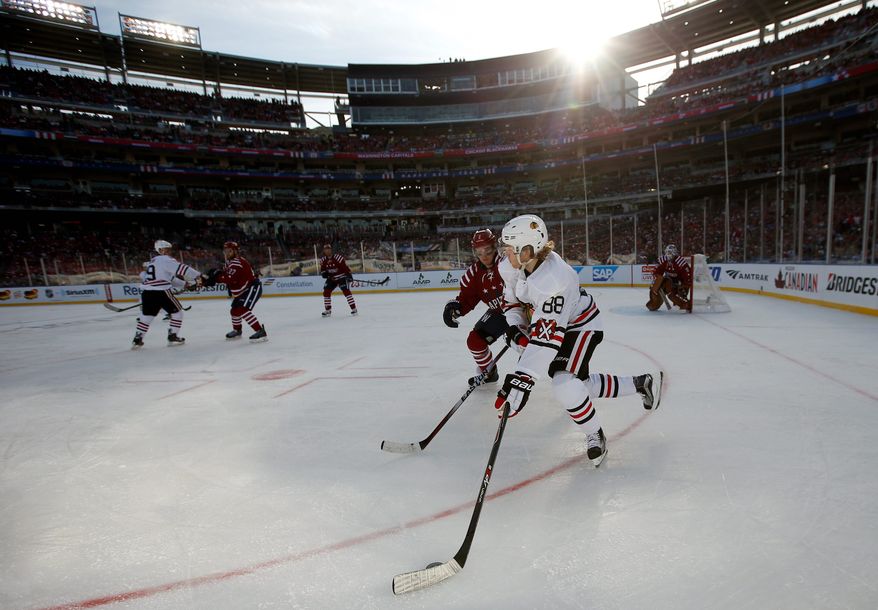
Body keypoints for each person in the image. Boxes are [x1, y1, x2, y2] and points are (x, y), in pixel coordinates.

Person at [495, 214, 663, 467]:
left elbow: (545, 340)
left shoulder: (554, 280)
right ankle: (640, 384)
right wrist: (515, 328)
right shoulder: (513, 266)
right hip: (553, 325)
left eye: (509, 249)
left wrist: (522, 380)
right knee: (579, 384)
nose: (504, 254)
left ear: (527, 250)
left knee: (564, 384)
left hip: (581, 325)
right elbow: (511, 302)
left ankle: (595, 433)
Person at [443, 229, 507, 386]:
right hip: (499, 313)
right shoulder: (474, 274)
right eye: (479, 252)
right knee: (475, 341)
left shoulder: (508, 263)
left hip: (522, 311)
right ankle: (489, 373)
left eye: (487, 250)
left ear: (494, 247)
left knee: (528, 345)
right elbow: (466, 299)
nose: (484, 256)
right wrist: (455, 309)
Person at [131, 240, 202, 349]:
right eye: (166, 249)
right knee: (177, 313)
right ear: (160, 250)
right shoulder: (165, 260)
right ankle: (173, 336)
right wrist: (199, 275)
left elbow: (170, 278)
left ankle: (137, 339)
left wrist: (184, 284)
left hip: (147, 293)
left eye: (169, 249)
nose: (169, 252)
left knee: (147, 317)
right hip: (161, 292)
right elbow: (183, 269)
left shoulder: (153, 261)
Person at [203, 241, 267, 342]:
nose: (227, 253)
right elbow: (225, 274)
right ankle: (237, 330)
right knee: (234, 311)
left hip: (251, 288)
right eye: (225, 251)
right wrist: (214, 277)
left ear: (236, 251)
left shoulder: (237, 263)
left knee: (242, 310)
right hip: (244, 290)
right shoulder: (230, 262)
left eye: (229, 251)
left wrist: (215, 278)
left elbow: (228, 279)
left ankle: (260, 331)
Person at [646, 244, 691, 311]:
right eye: (667, 252)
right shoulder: (662, 260)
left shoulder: (680, 262)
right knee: (656, 289)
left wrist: (684, 285)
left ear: (675, 253)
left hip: (680, 281)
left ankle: (684, 303)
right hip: (669, 281)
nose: (669, 254)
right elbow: (657, 273)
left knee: (672, 296)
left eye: (670, 252)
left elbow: (687, 277)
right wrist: (655, 285)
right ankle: (654, 303)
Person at [319, 243, 357, 317]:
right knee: (326, 292)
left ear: (331, 250)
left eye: (328, 249)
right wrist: (327, 275)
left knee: (346, 292)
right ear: (324, 251)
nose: (327, 251)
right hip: (332, 279)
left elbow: (345, 268)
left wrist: (349, 276)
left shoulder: (338, 258)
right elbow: (323, 272)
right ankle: (328, 310)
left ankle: (354, 309)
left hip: (341, 278)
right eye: (326, 249)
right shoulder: (323, 260)